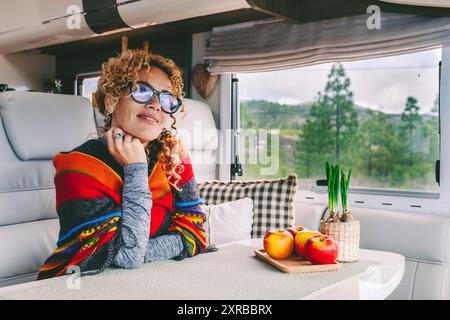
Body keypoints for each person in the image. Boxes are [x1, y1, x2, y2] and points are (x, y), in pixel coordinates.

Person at [37, 36, 215, 280]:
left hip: (154, 278)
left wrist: (144, 253)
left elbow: (195, 233)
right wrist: (136, 170)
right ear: (111, 101)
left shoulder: (173, 156)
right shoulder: (77, 168)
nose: (155, 105)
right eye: (142, 90)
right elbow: (126, 257)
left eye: (166, 99)